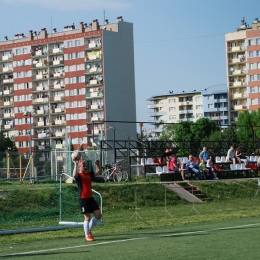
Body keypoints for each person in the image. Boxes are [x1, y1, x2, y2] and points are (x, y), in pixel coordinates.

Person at [73, 158, 102, 242]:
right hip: (83, 198)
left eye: (85, 165)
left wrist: (97, 165)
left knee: (98, 215)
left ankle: (88, 230)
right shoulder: (78, 175)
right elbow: (74, 175)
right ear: (79, 167)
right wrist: (75, 163)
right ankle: (87, 235)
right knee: (87, 217)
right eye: (83, 165)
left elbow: (99, 172)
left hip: (90, 198)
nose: (85, 167)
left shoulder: (88, 173)